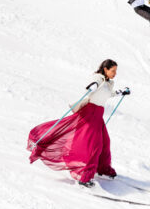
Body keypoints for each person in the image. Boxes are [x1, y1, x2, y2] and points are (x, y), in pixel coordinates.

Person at [27, 59, 130, 188]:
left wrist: (120, 93)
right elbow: (94, 84)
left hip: (98, 115)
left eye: (116, 71)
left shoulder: (109, 83)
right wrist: (92, 85)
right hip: (90, 113)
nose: (115, 73)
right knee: (95, 146)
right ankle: (84, 177)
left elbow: (107, 95)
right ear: (105, 69)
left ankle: (103, 169)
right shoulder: (98, 78)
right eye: (113, 70)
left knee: (105, 142)